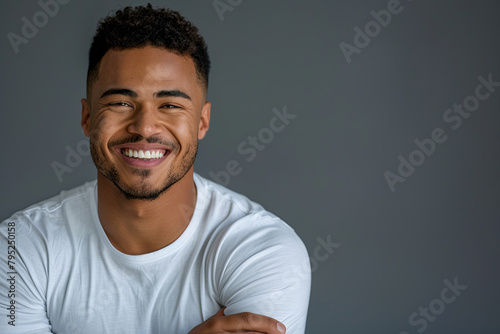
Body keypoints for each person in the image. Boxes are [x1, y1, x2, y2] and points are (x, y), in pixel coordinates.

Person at [0, 4, 310, 333]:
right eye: (121, 103)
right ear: (87, 118)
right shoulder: (19, 246)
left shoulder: (261, 249)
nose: (145, 127)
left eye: (170, 105)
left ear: (202, 121)